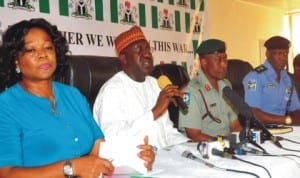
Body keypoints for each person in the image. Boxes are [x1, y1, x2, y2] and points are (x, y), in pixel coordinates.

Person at [0, 18, 154, 178]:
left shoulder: (73, 95)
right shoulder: (6, 106)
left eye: (48, 48)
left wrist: (136, 156)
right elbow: (6, 173)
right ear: (16, 60)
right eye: (31, 50)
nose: (43, 55)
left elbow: (98, 147)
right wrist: (70, 168)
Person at [93, 25, 189, 149]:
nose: (147, 54)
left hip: (163, 159)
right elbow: (112, 139)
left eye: (148, 49)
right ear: (124, 58)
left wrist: (190, 145)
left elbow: (167, 132)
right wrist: (154, 112)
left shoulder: (155, 84)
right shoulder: (112, 91)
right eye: (138, 49)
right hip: (131, 163)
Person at [178, 39, 243, 142]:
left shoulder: (226, 85)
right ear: (204, 62)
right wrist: (224, 144)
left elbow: (235, 125)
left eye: (225, 59)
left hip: (227, 145)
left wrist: (244, 141)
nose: (224, 64)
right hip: (204, 149)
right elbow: (194, 135)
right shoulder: (190, 92)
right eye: (218, 60)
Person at [243, 36, 300, 125]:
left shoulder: (287, 79)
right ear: (267, 54)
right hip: (262, 130)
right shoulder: (254, 78)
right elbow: (253, 112)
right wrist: (285, 120)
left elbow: (296, 109)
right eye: (278, 53)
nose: (283, 58)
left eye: (286, 53)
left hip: (284, 128)